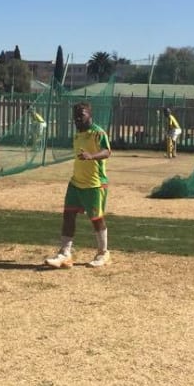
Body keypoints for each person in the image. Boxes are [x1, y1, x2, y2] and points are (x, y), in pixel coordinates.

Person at [44, 102, 112, 269]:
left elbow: (107, 152)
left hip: (95, 184)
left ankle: (103, 253)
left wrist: (91, 156)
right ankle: (65, 254)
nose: (77, 118)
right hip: (76, 182)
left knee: (96, 219)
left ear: (90, 114)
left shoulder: (98, 133)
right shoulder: (77, 134)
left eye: (81, 114)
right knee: (68, 215)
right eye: (75, 115)